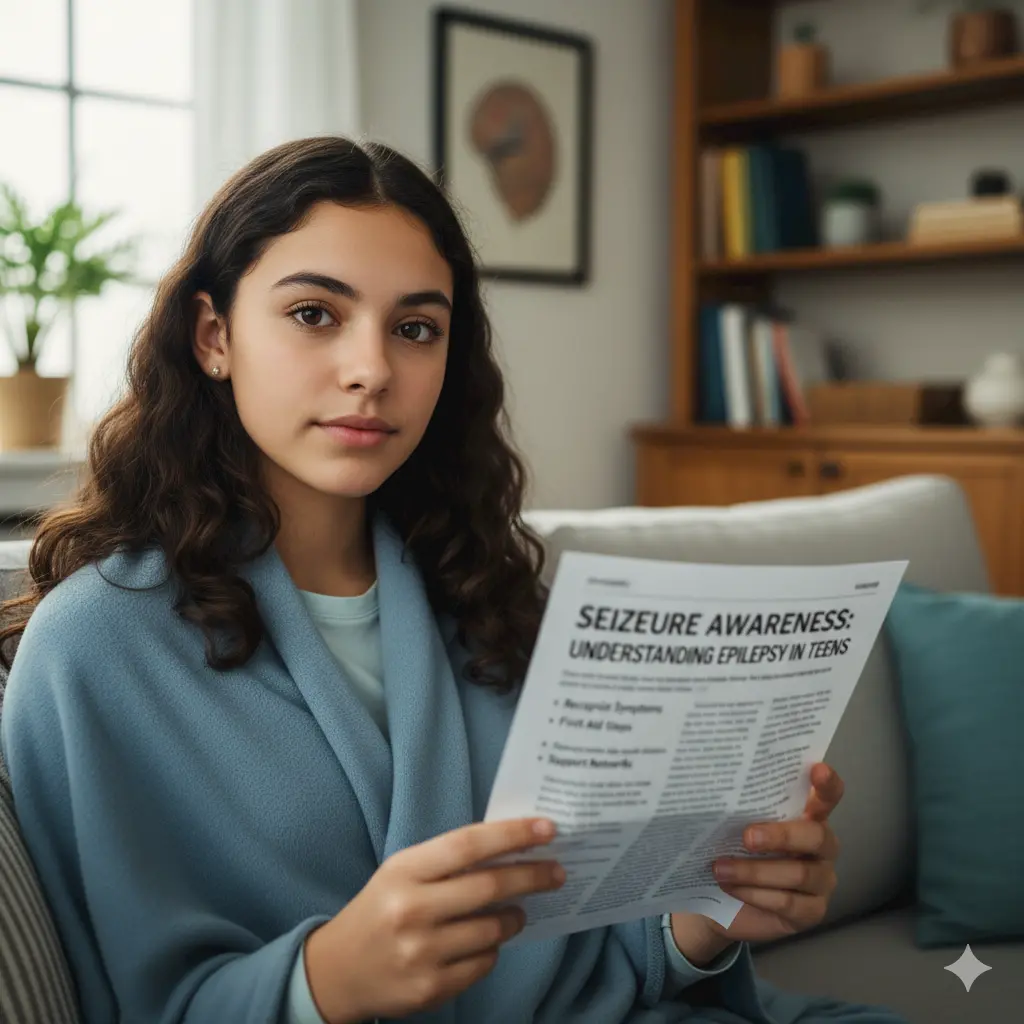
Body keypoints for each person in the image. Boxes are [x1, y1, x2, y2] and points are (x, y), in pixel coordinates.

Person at [0, 137, 908, 1024]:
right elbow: (124, 993)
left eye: (416, 328)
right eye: (315, 313)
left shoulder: (491, 595)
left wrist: (706, 919)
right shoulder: (96, 647)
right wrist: (322, 983)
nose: (373, 370)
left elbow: (595, 944)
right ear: (212, 336)